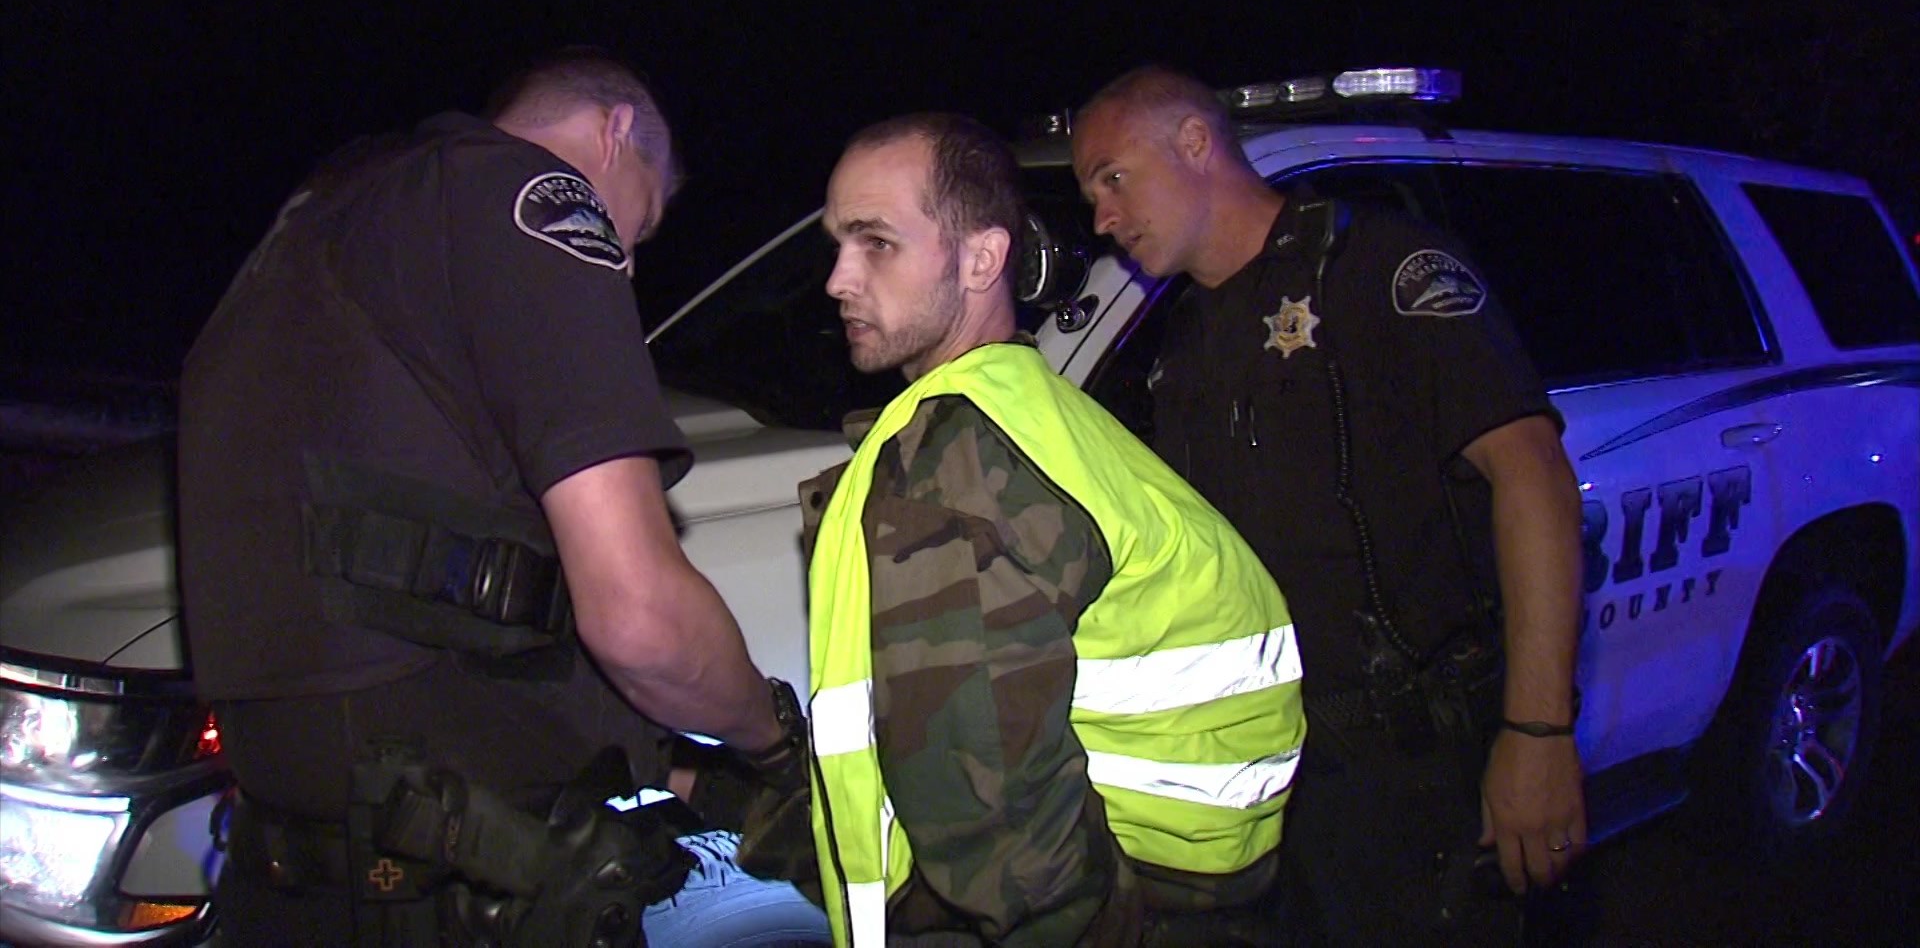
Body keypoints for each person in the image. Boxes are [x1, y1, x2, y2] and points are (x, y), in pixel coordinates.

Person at [176, 48, 821, 945]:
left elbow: (445, 602)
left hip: (296, 870)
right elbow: (639, 618)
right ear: (614, 132)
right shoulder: (535, 197)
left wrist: (685, 774)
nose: (629, 261)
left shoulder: (322, 225)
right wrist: (773, 741)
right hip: (454, 894)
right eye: (643, 220)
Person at [762, 113, 1309, 946]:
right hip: (1204, 884)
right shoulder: (1033, 408)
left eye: (876, 243)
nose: (838, 278)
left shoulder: (957, 461)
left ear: (982, 259)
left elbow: (998, 837)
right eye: (837, 243)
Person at [1070, 67, 1586, 945]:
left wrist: (1537, 730)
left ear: (1194, 143)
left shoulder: (1378, 269)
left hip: (1416, 769)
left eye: (1113, 178)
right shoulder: (1184, 341)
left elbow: (1531, 474)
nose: (1102, 219)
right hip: (1280, 774)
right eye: (1091, 197)